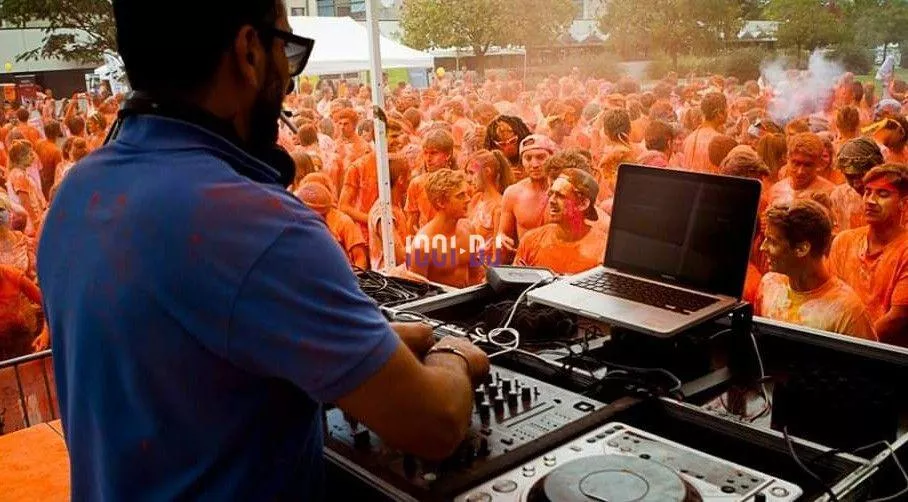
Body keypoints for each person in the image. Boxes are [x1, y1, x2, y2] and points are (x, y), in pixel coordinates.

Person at [39, 1, 490, 499]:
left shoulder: (76, 194)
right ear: (249, 51)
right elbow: (435, 424)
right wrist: (454, 354)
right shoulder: (260, 225)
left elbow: (188, 365)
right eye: (287, 50)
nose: (290, 79)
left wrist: (371, 344)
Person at [756, 200, 876, 340]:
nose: (763, 247)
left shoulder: (848, 312)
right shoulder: (769, 286)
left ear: (802, 249)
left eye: (773, 241)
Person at [828, 164, 908, 346]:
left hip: (886, 354)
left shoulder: (904, 250)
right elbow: (831, 298)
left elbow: (897, 318)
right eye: (867, 192)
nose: (870, 200)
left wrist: (851, 344)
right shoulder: (844, 241)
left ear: (904, 204)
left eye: (883, 194)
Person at [514, 168, 607, 274]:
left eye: (560, 196)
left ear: (583, 204)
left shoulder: (603, 249)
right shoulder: (531, 241)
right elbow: (515, 281)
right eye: (551, 194)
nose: (551, 200)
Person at [406, 169, 484, 288]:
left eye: (467, 194)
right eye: (460, 196)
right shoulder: (422, 246)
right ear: (441, 203)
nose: (468, 199)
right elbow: (418, 292)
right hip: (440, 299)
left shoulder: (469, 229)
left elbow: (475, 277)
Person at [340, 119, 409, 237]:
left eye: (399, 136)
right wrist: (376, 221)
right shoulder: (358, 167)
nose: (398, 141)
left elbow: (404, 201)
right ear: (380, 137)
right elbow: (344, 206)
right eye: (394, 136)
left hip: (396, 233)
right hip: (366, 236)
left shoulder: (402, 165)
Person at [496, 134, 556, 257]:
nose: (534, 164)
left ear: (552, 158)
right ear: (522, 161)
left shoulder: (565, 191)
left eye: (541, 157)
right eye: (528, 158)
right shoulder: (513, 194)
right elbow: (503, 234)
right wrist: (501, 239)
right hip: (526, 263)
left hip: (558, 262)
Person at [297, 180, 368, 269]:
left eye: (321, 215)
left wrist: (355, 276)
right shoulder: (295, 223)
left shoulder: (342, 221)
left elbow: (360, 258)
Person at [405, 129, 456, 232]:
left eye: (434, 153)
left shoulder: (459, 182)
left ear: (448, 155)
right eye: (425, 153)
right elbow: (412, 223)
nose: (428, 158)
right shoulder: (416, 184)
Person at [829, 138, 884, 233]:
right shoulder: (838, 196)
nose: (856, 184)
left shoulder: (894, 195)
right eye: (850, 177)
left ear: (877, 169)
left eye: (862, 176)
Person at [368, 155, 412, 271]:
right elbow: (400, 256)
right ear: (401, 179)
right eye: (409, 174)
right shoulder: (383, 212)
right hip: (389, 278)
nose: (410, 179)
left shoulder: (396, 204)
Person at [766, 133, 836, 206]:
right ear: (788, 159)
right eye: (796, 164)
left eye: (808, 165)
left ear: (818, 163)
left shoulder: (830, 193)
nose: (800, 171)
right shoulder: (776, 190)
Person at [467, 149, 512, 245]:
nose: (468, 179)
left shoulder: (499, 207)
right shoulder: (476, 199)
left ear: (487, 171)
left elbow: (497, 251)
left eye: (472, 173)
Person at [6, 141, 46, 236]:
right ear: (21, 157)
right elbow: (26, 203)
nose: (33, 157)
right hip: (30, 225)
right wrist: (37, 225)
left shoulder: (19, 173)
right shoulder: (19, 175)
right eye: (30, 154)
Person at [681, 92, 727, 173]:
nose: (728, 112)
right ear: (719, 113)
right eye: (726, 108)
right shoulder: (720, 142)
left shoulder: (688, 139)